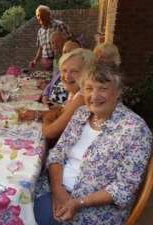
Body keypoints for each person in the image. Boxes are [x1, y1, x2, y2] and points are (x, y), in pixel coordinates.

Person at [33, 61, 152, 224]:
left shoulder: (134, 129)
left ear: (118, 91)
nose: (94, 96)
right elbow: (57, 153)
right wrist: (58, 190)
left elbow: (124, 188)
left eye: (103, 88)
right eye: (89, 88)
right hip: (55, 192)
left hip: (92, 211)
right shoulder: (81, 113)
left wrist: (78, 203)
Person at [19, 49, 96, 140]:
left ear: (87, 73)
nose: (67, 76)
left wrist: (47, 119)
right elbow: (62, 112)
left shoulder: (81, 99)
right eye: (64, 70)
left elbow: (49, 132)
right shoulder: (75, 93)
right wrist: (36, 113)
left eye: (75, 71)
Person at [29, 5, 72, 72]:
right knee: (46, 80)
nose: (40, 17)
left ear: (48, 14)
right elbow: (41, 48)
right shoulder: (40, 31)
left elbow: (70, 41)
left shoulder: (59, 25)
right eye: (38, 15)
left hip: (60, 59)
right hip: (45, 62)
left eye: (42, 14)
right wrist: (35, 61)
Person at [42, 39, 82, 109]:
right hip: (50, 106)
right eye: (64, 52)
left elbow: (74, 99)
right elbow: (51, 84)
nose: (66, 55)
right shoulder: (60, 70)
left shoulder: (80, 75)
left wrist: (61, 106)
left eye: (70, 52)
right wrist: (45, 96)